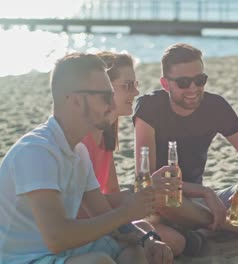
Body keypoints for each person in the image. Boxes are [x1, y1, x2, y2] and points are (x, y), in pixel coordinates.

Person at [0, 53, 173, 264]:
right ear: (75, 101)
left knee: (133, 246)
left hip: (60, 253)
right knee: (99, 261)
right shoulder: (37, 152)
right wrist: (128, 211)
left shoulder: (78, 152)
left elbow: (104, 214)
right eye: (105, 96)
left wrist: (147, 239)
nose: (112, 104)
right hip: (22, 258)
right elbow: (57, 238)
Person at [133, 43, 238, 241]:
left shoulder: (216, 106)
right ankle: (236, 228)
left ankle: (214, 228)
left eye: (200, 80)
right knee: (162, 196)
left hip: (201, 204)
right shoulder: (149, 108)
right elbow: (148, 180)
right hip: (166, 204)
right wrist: (206, 192)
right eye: (183, 82)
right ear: (166, 84)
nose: (193, 88)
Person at [79, 51, 185, 257]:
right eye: (127, 86)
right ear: (103, 89)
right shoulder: (82, 140)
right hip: (86, 226)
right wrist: (141, 195)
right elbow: (88, 207)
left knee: (172, 240)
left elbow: (111, 191)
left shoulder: (106, 132)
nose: (136, 92)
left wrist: (142, 197)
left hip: (102, 219)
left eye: (135, 84)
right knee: (162, 241)